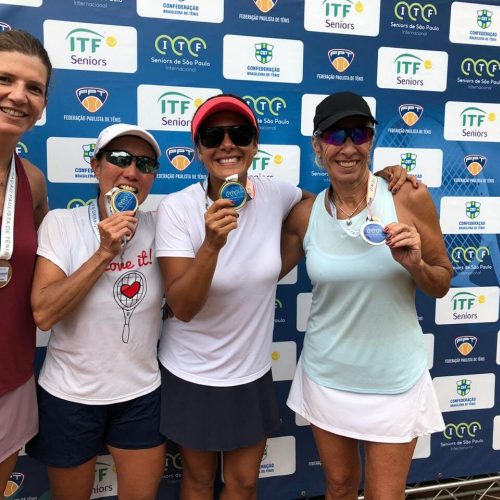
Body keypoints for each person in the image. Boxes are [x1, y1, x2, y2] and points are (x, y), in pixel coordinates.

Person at [154, 94, 413, 500]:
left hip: (251, 371)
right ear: (198, 149)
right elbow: (183, 308)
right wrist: (211, 245)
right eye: (213, 136)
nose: (227, 144)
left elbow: (328, 203)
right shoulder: (177, 208)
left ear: (255, 144)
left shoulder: (277, 194)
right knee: (199, 479)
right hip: (191, 370)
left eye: (240, 134)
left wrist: (374, 180)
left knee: (244, 483)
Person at [281, 91, 453, 500]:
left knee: (384, 495)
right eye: (335, 135)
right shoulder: (305, 215)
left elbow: (441, 281)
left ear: (371, 140)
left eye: (358, 133)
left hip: (394, 379)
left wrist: (415, 265)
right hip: (327, 375)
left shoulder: (407, 197)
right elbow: (257, 271)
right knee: (339, 487)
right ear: (317, 145)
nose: (348, 147)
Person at [26, 124, 166, 500]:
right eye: (120, 159)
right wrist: (104, 252)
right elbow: (44, 313)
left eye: (145, 164)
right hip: (69, 396)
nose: (132, 171)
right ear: (96, 165)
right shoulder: (62, 223)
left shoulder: (162, 226)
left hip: (140, 394)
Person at [0, 29, 51, 494]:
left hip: (11, 375)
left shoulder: (31, 181)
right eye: (5, 79)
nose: (19, 96)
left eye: (33, 88)